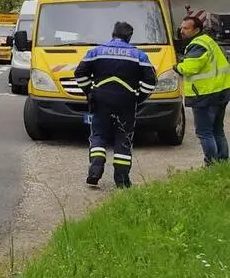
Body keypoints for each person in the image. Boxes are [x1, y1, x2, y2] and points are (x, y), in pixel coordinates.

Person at [73, 21, 157, 188]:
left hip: (100, 101)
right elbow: (151, 81)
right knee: (123, 137)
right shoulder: (139, 55)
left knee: (98, 134)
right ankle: (122, 181)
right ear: (129, 36)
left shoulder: (96, 51)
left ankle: (95, 169)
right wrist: (138, 97)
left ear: (113, 33)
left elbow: (79, 73)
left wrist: (89, 91)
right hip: (126, 102)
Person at [173, 15, 230, 166]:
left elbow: (189, 68)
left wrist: (177, 66)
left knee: (205, 133)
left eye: (186, 28)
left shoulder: (198, 45)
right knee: (217, 130)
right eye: (181, 27)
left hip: (205, 95)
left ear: (196, 30)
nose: (182, 31)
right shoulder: (208, 41)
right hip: (221, 92)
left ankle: (211, 165)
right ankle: (223, 163)